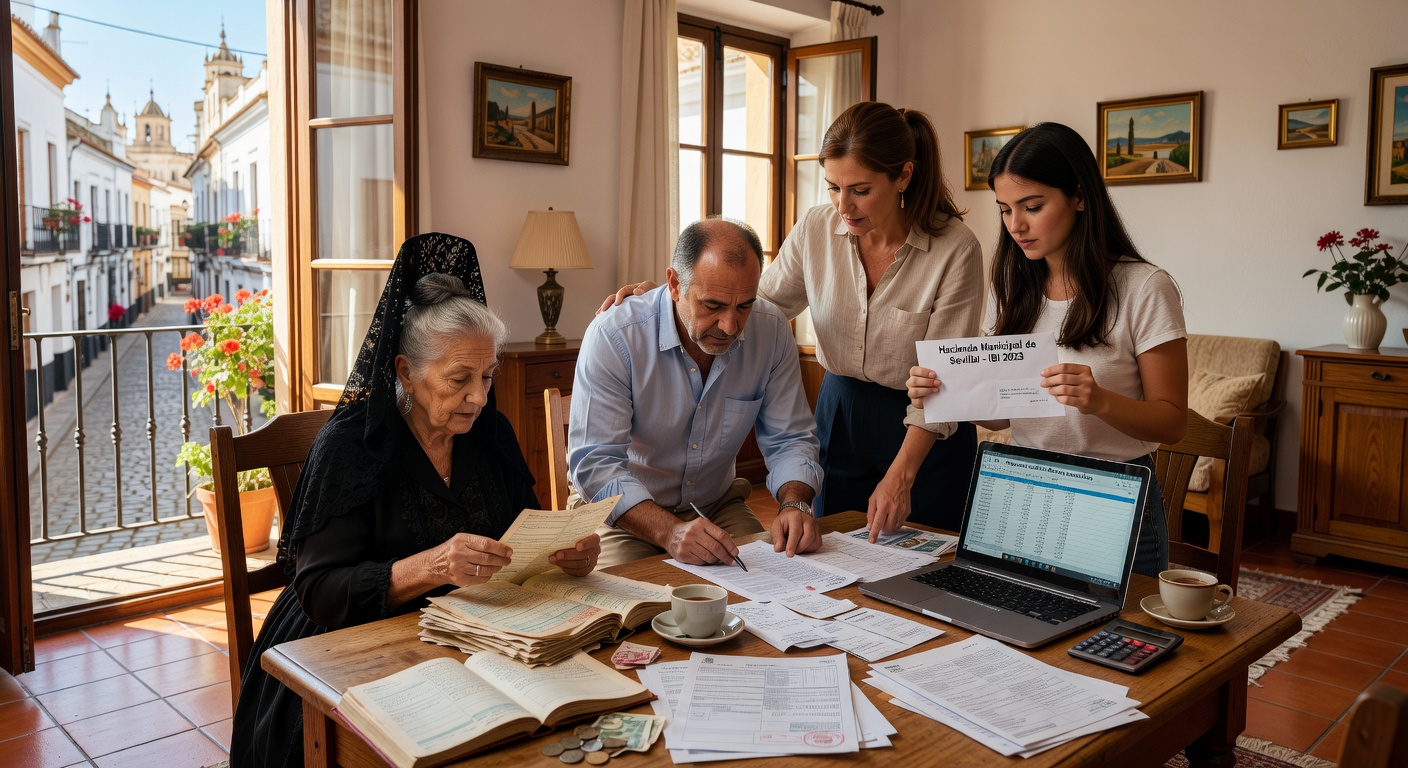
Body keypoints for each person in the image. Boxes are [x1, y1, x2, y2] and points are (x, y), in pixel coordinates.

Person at [230, 234, 601, 768]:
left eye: (487, 375)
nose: (479, 395)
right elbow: (318, 590)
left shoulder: (489, 430)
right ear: (405, 371)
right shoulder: (350, 448)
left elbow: (526, 526)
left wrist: (565, 552)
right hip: (346, 643)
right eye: (459, 379)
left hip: (472, 631)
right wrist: (431, 566)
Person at [599, 102, 985, 537]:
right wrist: (669, 300)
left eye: (859, 189)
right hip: (840, 414)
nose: (843, 205)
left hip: (925, 433)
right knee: (837, 562)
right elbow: (755, 305)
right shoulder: (817, 229)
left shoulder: (956, 248)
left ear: (904, 177)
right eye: (833, 188)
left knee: (927, 568)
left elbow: (945, 380)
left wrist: (901, 476)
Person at [907, 122, 1188, 578]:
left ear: (1079, 196)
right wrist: (946, 390)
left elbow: (1173, 421)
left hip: (1114, 499)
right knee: (1016, 626)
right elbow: (1003, 414)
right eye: (1004, 210)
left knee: (1107, 641)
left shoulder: (1144, 287)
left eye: (1032, 207)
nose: (1016, 225)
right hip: (1022, 492)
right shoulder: (1013, 289)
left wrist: (1101, 401)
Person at [570, 218, 823, 569]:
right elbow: (596, 465)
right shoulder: (615, 336)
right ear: (675, 284)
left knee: (779, 575)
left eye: (744, 306)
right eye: (713, 305)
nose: (730, 326)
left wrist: (795, 504)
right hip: (622, 516)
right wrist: (670, 532)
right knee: (627, 606)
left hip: (717, 504)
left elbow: (791, 438)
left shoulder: (773, 329)